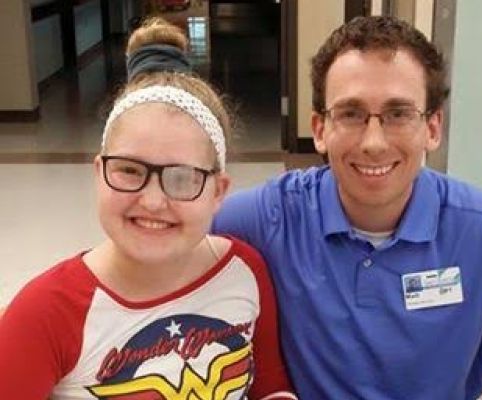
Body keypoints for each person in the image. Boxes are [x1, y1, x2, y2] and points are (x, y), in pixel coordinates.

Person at [212, 15, 482, 399]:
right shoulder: (271, 216)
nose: (374, 142)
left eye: (398, 114)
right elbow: (170, 233)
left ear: (432, 128)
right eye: (351, 113)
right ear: (321, 129)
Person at [0, 18, 296, 400]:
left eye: (183, 177)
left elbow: (269, 384)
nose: (154, 201)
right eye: (129, 170)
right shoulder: (44, 314)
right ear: (99, 172)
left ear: (218, 191)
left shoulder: (246, 270)